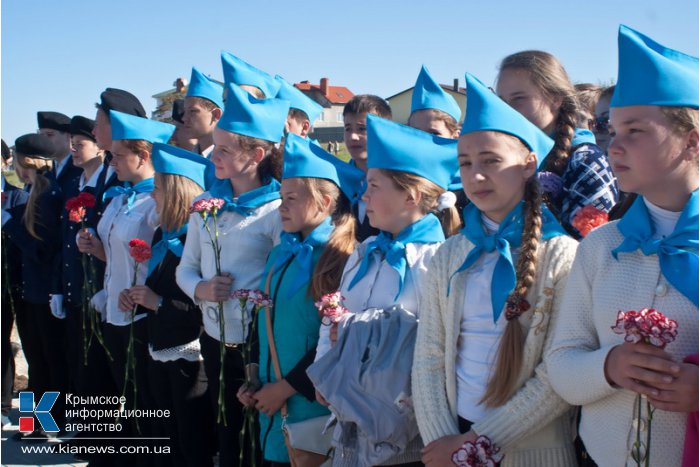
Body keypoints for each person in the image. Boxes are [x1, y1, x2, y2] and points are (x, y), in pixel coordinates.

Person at [546, 25, 699, 467]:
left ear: (692, 141)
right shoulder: (601, 246)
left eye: (634, 130)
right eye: (610, 131)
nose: (614, 147)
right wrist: (608, 367)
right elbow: (562, 365)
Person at [413, 73, 578, 467]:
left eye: (491, 161)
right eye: (465, 163)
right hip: (451, 441)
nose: (476, 175)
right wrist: (444, 440)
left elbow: (556, 375)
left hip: (534, 451)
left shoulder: (563, 255)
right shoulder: (450, 254)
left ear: (527, 165)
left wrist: (475, 444)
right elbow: (430, 355)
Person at [308, 114, 461, 466]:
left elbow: (438, 348)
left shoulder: (437, 261)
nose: (364, 194)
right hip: (351, 419)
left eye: (375, 186)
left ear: (410, 197)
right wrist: (323, 371)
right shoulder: (364, 252)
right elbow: (334, 314)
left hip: (407, 431)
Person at [176, 82, 289, 467]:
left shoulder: (277, 211)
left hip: (259, 347)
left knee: (257, 441)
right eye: (216, 147)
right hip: (214, 338)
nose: (215, 157)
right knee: (226, 434)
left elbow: (282, 282)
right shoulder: (205, 205)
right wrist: (201, 288)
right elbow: (185, 268)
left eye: (225, 149)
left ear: (256, 155)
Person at [237, 134, 362, 466]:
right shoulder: (280, 252)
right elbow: (262, 320)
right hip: (270, 403)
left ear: (323, 202)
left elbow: (338, 341)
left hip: (309, 409)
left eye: (291, 198)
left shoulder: (341, 256)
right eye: (280, 197)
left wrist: (286, 388)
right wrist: (251, 377)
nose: (282, 207)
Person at [77, 111, 175, 458]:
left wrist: (137, 290)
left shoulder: (156, 203)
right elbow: (118, 256)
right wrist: (95, 248)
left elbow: (162, 262)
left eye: (118, 155)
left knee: (146, 403)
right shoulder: (120, 197)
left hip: (139, 315)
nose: (111, 161)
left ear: (143, 156)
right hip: (113, 310)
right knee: (127, 397)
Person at [120, 142, 216, 467]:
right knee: (165, 438)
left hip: (189, 358)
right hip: (159, 348)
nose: (152, 195)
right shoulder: (164, 235)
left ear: (177, 193)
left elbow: (202, 309)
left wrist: (157, 301)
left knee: (191, 442)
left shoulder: (200, 240)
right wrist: (136, 298)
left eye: (158, 189)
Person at [496, 51, 618, 238]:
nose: (508, 110)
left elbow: (589, 247)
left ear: (555, 99)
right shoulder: (502, 157)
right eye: (502, 101)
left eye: (518, 98)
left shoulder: (586, 161)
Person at [2, 134, 67, 436]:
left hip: (43, 290)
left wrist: (8, 223)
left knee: (46, 362)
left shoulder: (46, 194)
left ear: (24, 161)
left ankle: (48, 423)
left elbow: (42, 248)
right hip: (29, 289)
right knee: (34, 360)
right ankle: (30, 422)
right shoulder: (33, 190)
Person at [406, 65, 466, 223]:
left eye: (434, 134)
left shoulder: (471, 185)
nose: (425, 141)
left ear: (455, 135)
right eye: (417, 133)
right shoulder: (403, 182)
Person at [1, 139, 28, 428]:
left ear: (6, 161)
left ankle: (4, 405)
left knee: (6, 343)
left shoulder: (18, 197)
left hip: (13, 282)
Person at [342, 94, 393, 241]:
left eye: (362, 129)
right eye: (347, 128)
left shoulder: (394, 183)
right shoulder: (339, 179)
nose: (353, 136)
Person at [183, 67, 224, 157]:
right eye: (185, 112)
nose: (184, 118)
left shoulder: (227, 163)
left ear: (216, 114)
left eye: (192, 111)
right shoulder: (189, 160)